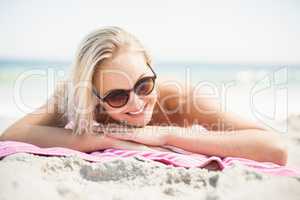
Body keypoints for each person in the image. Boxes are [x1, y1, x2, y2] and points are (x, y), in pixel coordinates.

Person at [0, 26, 287, 165]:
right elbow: (11, 136)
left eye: (143, 85)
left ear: (151, 66)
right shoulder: (74, 96)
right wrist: (102, 138)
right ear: (93, 96)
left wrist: (164, 135)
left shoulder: (177, 97)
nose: (137, 104)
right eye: (116, 96)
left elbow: (275, 147)